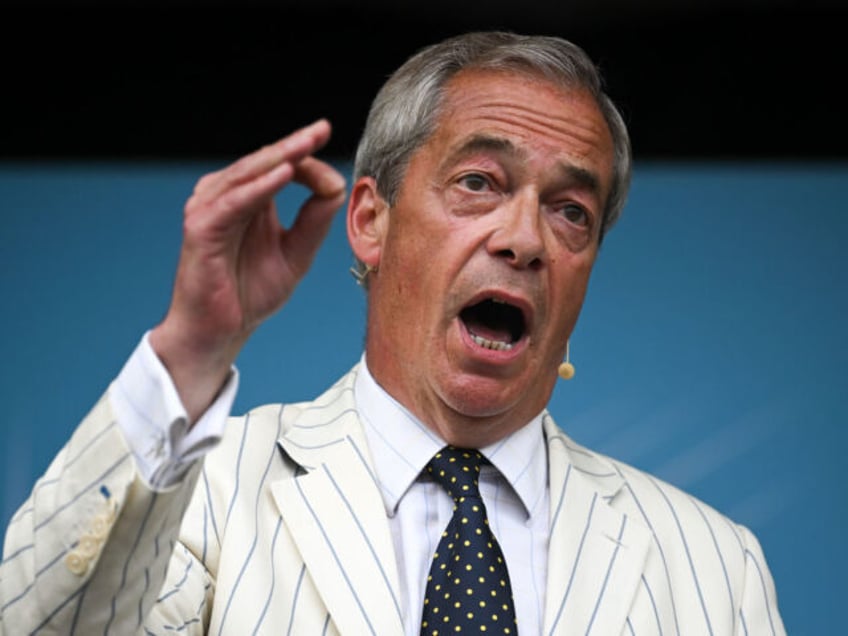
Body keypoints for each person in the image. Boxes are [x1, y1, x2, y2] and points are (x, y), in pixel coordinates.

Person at [0, 31, 784, 635]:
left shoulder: (716, 564)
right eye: (480, 183)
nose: (526, 240)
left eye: (570, 210)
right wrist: (192, 352)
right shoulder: (208, 491)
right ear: (372, 221)